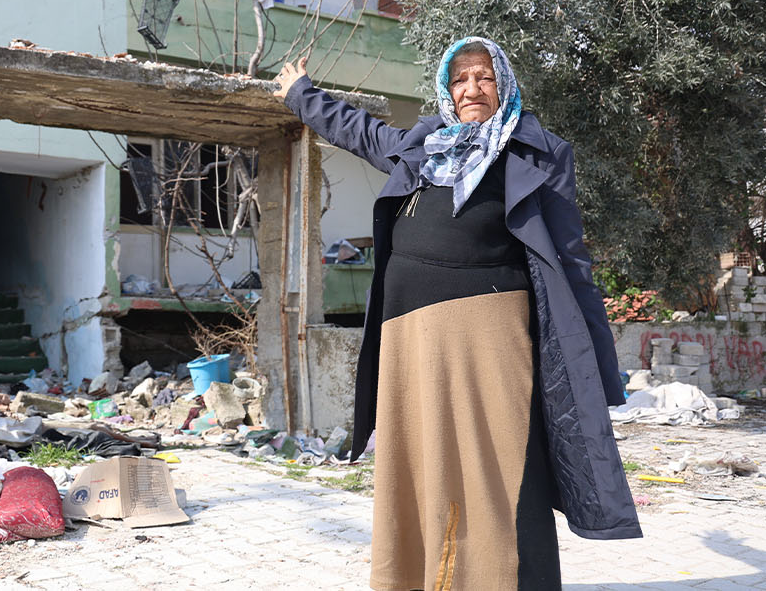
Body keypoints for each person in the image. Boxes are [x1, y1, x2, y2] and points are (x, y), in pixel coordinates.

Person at [273, 37, 641, 590]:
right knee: (419, 461)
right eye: (460, 79)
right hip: (409, 335)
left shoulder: (537, 153)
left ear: (505, 84)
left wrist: (599, 370)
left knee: (496, 462)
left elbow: (571, 260)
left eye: (484, 77)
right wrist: (301, 94)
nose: (471, 89)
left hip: (489, 336)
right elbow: (360, 131)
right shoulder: (426, 146)